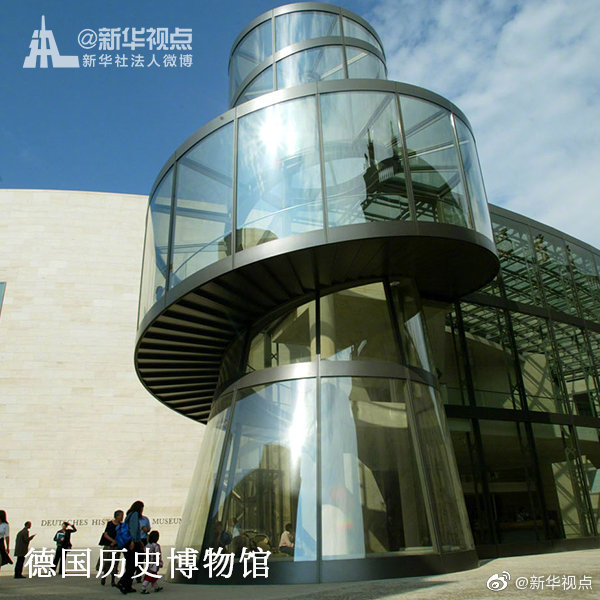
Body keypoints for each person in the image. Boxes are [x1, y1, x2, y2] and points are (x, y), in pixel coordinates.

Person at [117, 500, 145, 595]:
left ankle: (127, 586)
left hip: (128, 543)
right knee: (132, 565)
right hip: (131, 543)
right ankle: (122, 582)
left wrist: (140, 541)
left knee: (130, 564)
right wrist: (133, 541)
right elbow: (134, 529)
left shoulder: (129, 515)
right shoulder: (135, 514)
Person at [97, 510, 123, 586]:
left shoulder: (122, 525)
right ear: (117, 516)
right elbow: (105, 534)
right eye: (121, 516)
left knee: (115, 563)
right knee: (107, 563)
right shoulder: (110, 524)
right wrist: (112, 541)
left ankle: (113, 580)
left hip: (117, 547)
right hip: (109, 546)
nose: (122, 518)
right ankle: (104, 577)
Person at [140, 530, 163, 594]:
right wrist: (159, 562)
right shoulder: (156, 546)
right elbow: (158, 555)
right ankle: (143, 587)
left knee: (153, 575)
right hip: (154, 562)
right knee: (150, 575)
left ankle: (155, 587)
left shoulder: (148, 545)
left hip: (149, 562)